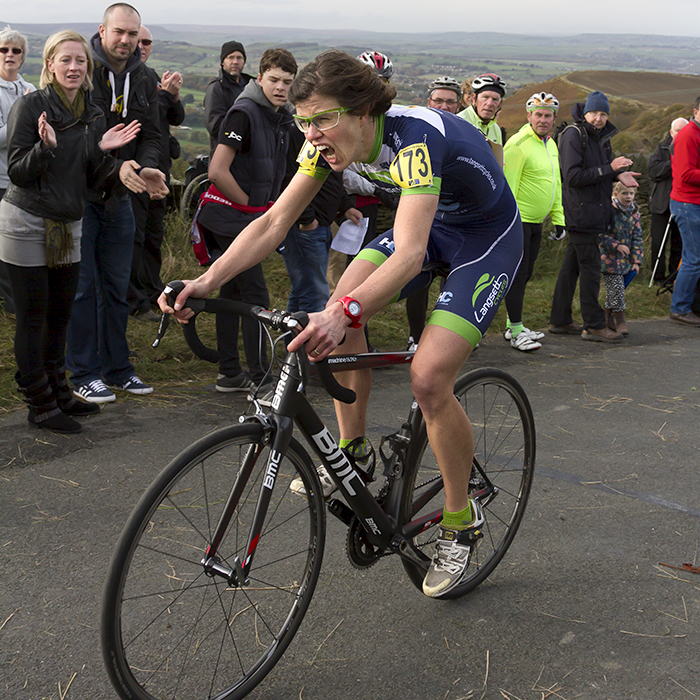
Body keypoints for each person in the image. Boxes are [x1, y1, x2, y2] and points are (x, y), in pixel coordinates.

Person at [161, 50, 523, 599]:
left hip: (483, 240)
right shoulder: (320, 141)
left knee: (427, 378)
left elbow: (409, 253)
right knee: (341, 302)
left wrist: (343, 313)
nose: (313, 133)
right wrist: (206, 282)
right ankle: (352, 453)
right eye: (303, 121)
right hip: (425, 226)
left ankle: (460, 520)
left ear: (362, 110)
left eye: (323, 119)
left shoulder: (414, 137)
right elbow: (275, 222)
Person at [0, 30, 162, 433]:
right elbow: (19, 170)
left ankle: (59, 392)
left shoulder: (91, 111)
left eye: (80, 61)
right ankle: (40, 403)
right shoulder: (31, 105)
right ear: (50, 64)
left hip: (69, 223)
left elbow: (91, 175)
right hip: (27, 222)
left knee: (60, 314)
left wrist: (125, 169)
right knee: (33, 318)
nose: (74, 67)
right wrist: (48, 147)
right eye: (66, 60)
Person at [65, 3, 167, 404]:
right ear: (102, 30)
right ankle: (83, 372)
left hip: (121, 198)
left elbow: (154, 133)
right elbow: (75, 135)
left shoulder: (144, 77)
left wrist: (146, 168)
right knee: (83, 288)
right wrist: (115, 166)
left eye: (133, 34)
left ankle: (118, 368)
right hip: (80, 197)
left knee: (117, 286)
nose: (126, 41)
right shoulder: (80, 71)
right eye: (119, 32)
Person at [197, 47, 297, 393]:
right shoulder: (244, 112)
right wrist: (253, 207)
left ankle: (230, 373)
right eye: (273, 79)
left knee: (235, 291)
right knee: (255, 292)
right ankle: (259, 377)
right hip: (229, 216)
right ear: (260, 77)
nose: (280, 87)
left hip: (246, 217)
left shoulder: (280, 116)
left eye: (287, 81)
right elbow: (217, 171)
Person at [549, 90, 639, 342]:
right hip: (580, 212)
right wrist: (609, 169)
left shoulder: (601, 138)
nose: (599, 118)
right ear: (585, 113)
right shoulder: (573, 135)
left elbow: (597, 172)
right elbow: (573, 176)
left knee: (572, 267)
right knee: (590, 268)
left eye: (603, 113)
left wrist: (617, 175)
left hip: (592, 212)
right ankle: (594, 325)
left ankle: (560, 320)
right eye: (594, 113)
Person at [127, 25, 185, 320]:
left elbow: (176, 116)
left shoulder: (149, 76)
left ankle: (152, 293)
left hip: (159, 174)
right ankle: (135, 301)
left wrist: (172, 96)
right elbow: (142, 121)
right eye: (139, 40)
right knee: (136, 238)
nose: (142, 46)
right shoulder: (132, 79)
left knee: (153, 236)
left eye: (147, 41)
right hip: (138, 174)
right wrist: (164, 96)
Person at [502, 92, 565, 352]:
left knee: (525, 275)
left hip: (537, 222)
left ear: (554, 118)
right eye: (537, 114)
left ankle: (512, 324)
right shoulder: (518, 144)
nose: (542, 119)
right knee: (517, 276)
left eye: (547, 115)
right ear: (528, 116)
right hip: (519, 221)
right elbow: (508, 187)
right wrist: (509, 222)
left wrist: (559, 218)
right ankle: (516, 331)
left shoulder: (550, 143)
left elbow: (555, 183)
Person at [0, 26, 35, 315]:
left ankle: (18, 302)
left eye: (16, 50)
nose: (10, 55)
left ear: (23, 57)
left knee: (20, 243)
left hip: (25, 179)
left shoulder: (30, 89)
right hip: (0, 179)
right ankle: (11, 305)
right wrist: (23, 121)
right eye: (4, 50)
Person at [668, 97, 700, 326]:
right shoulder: (688, 135)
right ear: (695, 111)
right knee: (693, 258)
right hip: (687, 204)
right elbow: (685, 175)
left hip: (693, 203)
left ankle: (686, 305)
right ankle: (679, 308)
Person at [599, 182, 643, 336]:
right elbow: (600, 234)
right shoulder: (608, 210)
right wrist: (616, 245)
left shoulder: (635, 212)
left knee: (617, 289)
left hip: (626, 261)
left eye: (631, 193)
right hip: (609, 259)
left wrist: (636, 260)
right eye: (625, 193)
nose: (629, 197)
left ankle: (607, 315)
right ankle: (620, 320)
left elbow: (637, 237)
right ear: (616, 194)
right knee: (617, 288)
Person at [647, 117, 687, 284]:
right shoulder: (662, 148)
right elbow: (653, 171)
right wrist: (674, 162)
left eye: (683, 130)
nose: (680, 133)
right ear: (671, 132)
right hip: (661, 204)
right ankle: (657, 277)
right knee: (658, 243)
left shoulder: (693, 148)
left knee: (679, 243)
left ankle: (674, 277)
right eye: (677, 130)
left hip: (683, 204)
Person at [204, 40, 253, 153]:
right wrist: (247, 131)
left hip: (249, 156)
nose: (235, 62)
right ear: (223, 62)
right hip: (225, 155)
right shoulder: (217, 88)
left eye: (239, 58)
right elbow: (215, 126)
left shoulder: (250, 85)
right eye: (231, 57)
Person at [457, 73, 506, 145]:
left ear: (500, 103)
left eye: (495, 99)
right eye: (485, 97)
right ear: (474, 98)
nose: (489, 104)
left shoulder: (496, 129)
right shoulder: (459, 122)